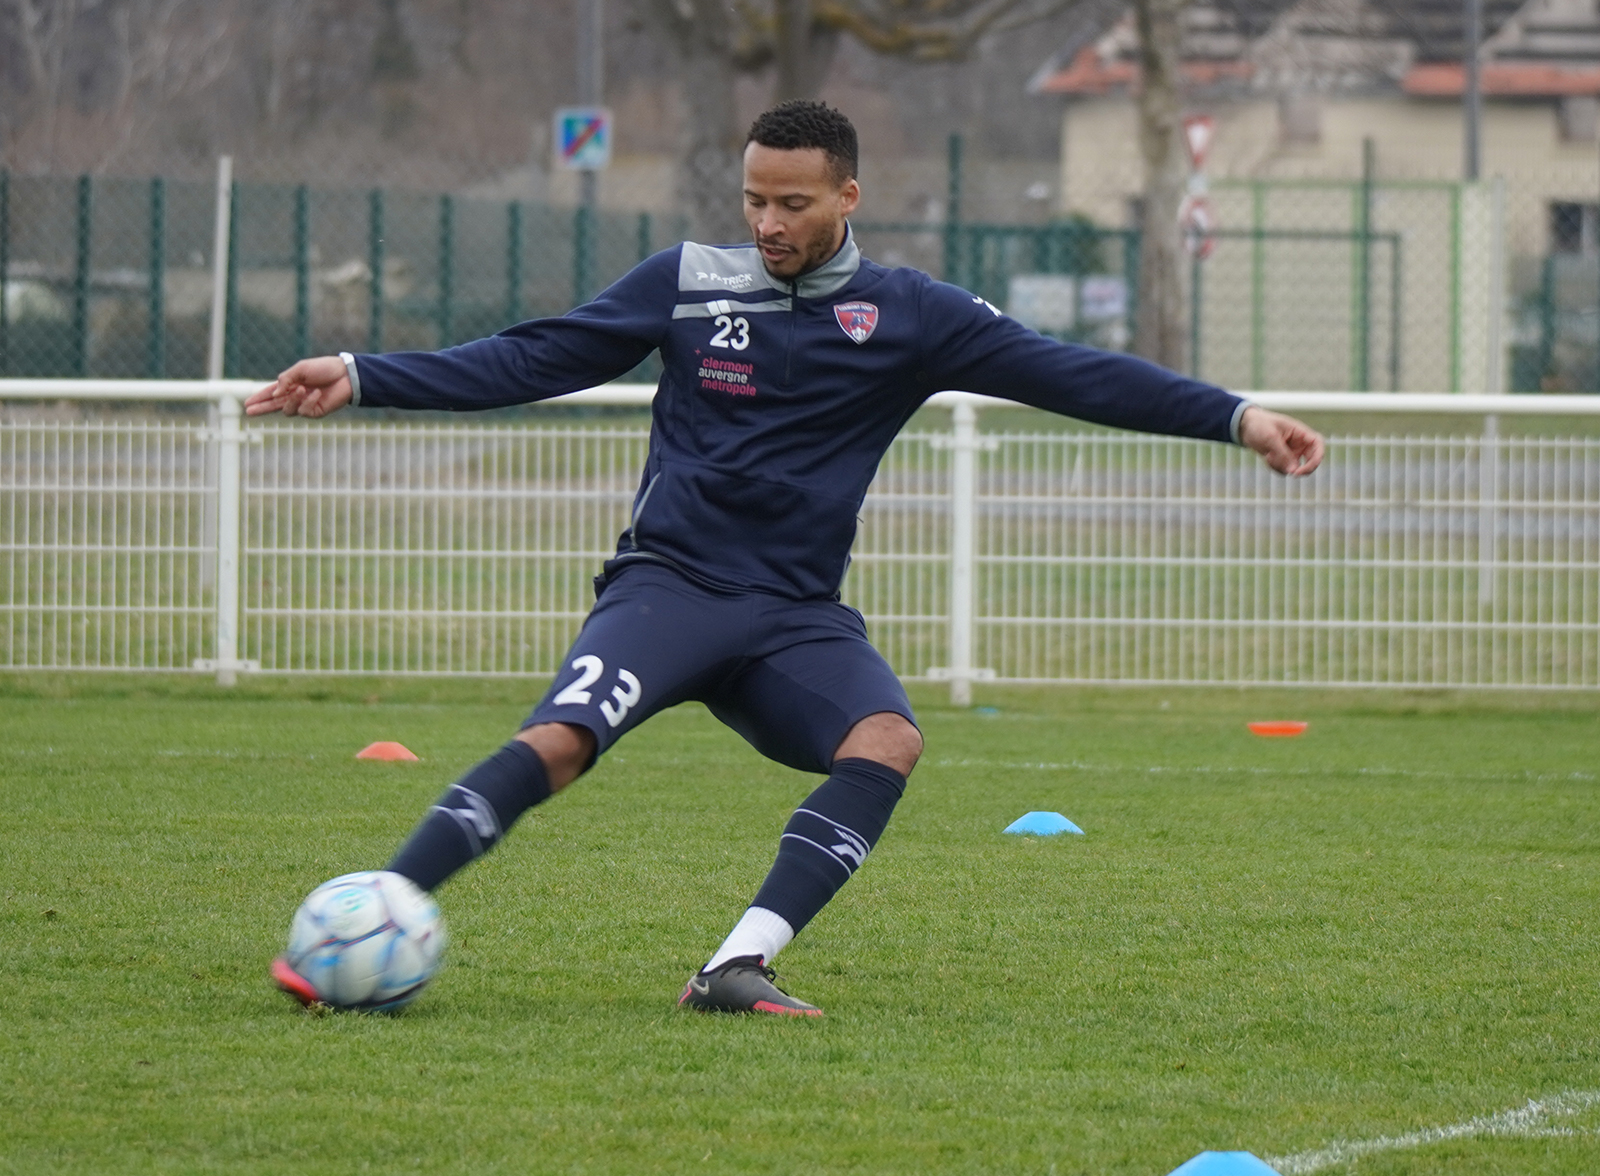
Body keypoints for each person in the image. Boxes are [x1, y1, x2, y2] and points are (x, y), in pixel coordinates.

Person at [251, 101, 1324, 1017]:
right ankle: (373, 912)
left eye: (793, 203)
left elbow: (1073, 375)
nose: (767, 223)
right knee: (564, 740)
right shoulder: (687, 282)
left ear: (847, 197)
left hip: (793, 617)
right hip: (668, 587)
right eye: (755, 200)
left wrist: (1233, 417)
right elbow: (539, 354)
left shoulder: (910, 315)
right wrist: (364, 372)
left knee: (887, 739)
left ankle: (737, 962)